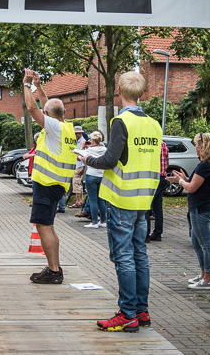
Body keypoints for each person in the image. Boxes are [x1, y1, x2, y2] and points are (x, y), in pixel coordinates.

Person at [82, 71, 162, 332]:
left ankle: (127, 313)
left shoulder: (121, 121)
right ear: (143, 93)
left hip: (122, 197)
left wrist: (87, 159)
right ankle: (141, 311)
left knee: (124, 257)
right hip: (144, 199)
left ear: (119, 90)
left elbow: (110, 160)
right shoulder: (154, 124)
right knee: (140, 254)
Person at [24, 68, 76, 285]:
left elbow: (32, 108)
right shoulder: (66, 127)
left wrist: (26, 85)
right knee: (48, 226)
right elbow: (46, 106)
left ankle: (54, 271)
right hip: (58, 184)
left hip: (46, 184)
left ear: (48, 114)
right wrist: (39, 86)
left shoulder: (53, 127)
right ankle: (54, 268)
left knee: (44, 226)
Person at [167, 133, 210, 289]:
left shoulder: (205, 166)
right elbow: (195, 183)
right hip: (200, 208)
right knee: (196, 243)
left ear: (203, 146)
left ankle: (207, 279)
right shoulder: (207, 164)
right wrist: (185, 179)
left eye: (197, 144)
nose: (195, 147)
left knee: (205, 244)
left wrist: (181, 181)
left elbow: (191, 188)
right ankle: (203, 274)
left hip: (201, 209)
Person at [83, 130, 108, 229]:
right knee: (101, 199)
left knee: (93, 199)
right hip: (101, 175)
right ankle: (103, 220)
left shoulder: (89, 151)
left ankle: (94, 222)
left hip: (91, 174)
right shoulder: (105, 150)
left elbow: (81, 159)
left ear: (93, 140)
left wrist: (82, 147)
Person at [146, 141, 169, 242]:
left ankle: (145, 234)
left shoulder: (150, 144)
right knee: (158, 208)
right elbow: (167, 162)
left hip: (151, 177)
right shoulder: (163, 144)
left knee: (146, 206)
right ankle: (157, 233)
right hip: (162, 177)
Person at [71, 125, 87, 208]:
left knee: (77, 183)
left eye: (76, 133)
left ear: (79, 133)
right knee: (77, 183)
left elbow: (84, 155)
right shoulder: (78, 141)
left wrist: (83, 167)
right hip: (78, 165)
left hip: (79, 165)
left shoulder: (82, 143)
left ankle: (79, 201)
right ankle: (79, 201)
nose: (75, 135)